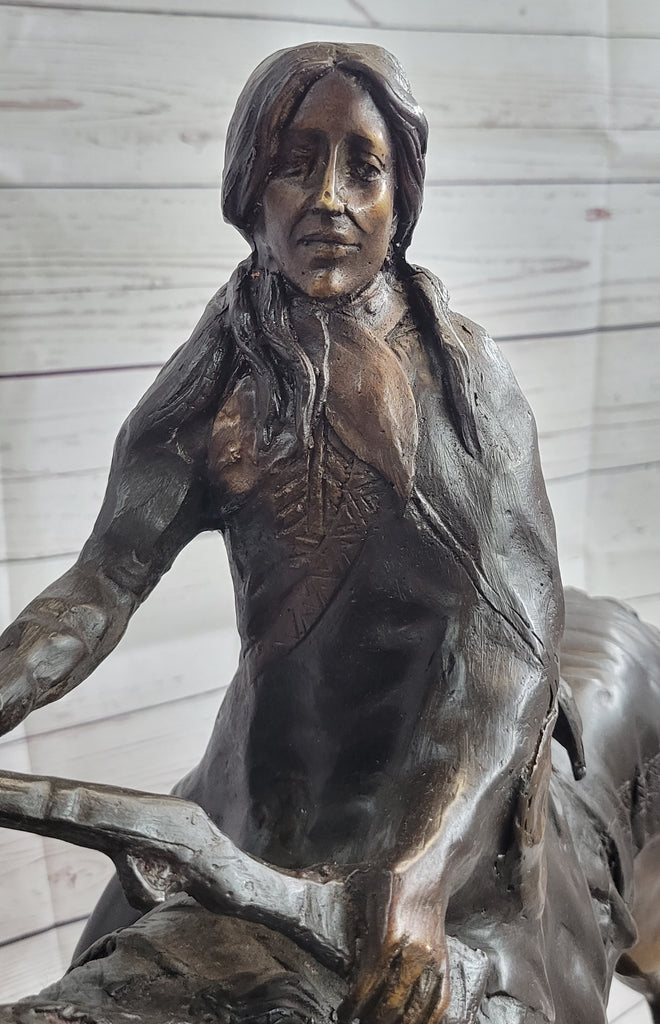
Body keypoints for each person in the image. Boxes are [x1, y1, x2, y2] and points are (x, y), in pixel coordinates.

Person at [0, 43, 575, 1023]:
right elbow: (100, 584)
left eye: (364, 168)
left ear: (400, 201)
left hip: (436, 827)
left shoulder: (472, 387)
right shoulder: (217, 376)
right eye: (295, 163)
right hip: (255, 805)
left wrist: (423, 882)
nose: (329, 199)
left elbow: (514, 663)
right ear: (249, 187)